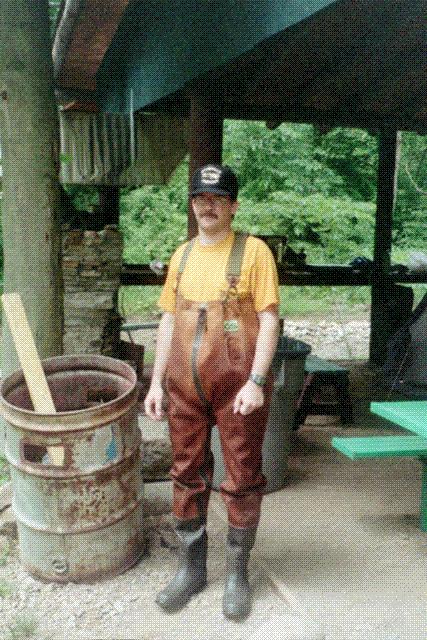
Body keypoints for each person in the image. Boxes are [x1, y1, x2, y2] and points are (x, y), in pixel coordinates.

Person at [144, 164, 280, 620]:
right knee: (185, 472)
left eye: (218, 199)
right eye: (201, 198)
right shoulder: (181, 256)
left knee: (241, 476)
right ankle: (192, 569)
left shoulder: (254, 252)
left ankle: (237, 574)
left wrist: (256, 381)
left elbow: (270, 320)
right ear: (193, 204)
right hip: (184, 389)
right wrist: (156, 382)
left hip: (238, 389)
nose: (208, 206)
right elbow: (168, 321)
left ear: (233, 206)